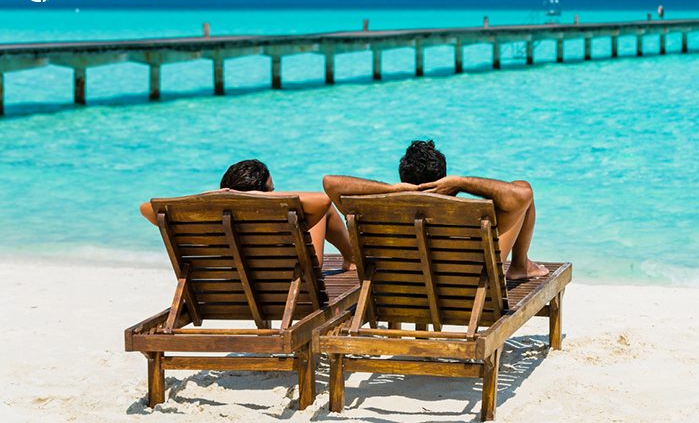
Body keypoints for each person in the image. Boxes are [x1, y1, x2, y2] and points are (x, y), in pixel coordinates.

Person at [322, 140, 549, 280]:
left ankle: (521, 265)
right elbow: (523, 195)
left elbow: (330, 182)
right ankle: (520, 266)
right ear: (445, 178)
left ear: (403, 178)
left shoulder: (378, 212)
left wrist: (392, 190)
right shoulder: (464, 214)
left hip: (402, 290)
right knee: (523, 188)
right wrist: (462, 182)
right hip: (468, 290)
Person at [137, 159, 355, 270]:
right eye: (271, 190)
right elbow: (323, 199)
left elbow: (145, 208)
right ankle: (351, 258)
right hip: (292, 281)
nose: (274, 193)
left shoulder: (209, 222)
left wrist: (210, 196)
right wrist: (263, 198)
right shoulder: (273, 216)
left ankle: (350, 257)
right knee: (322, 211)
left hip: (235, 284)